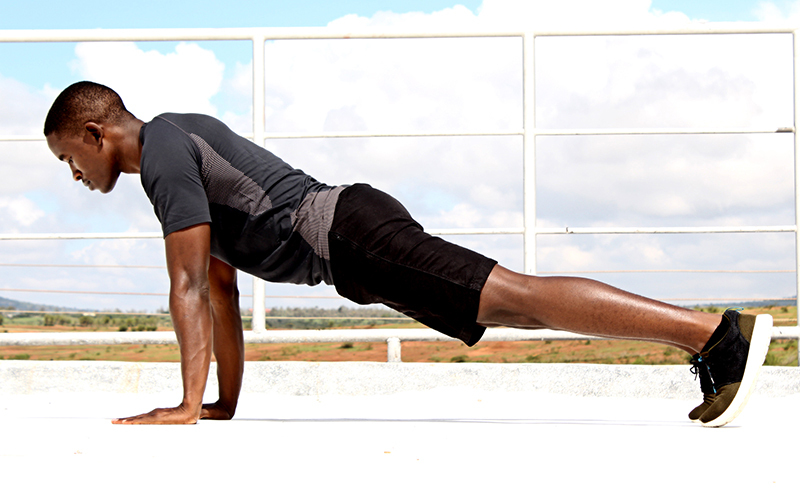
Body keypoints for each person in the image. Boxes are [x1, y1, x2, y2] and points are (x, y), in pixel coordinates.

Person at [43, 81, 772, 427]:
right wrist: (220, 403)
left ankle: (712, 334)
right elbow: (221, 289)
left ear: (96, 134)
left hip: (349, 234)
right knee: (511, 308)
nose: (73, 174)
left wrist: (183, 409)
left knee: (513, 294)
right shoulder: (172, 152)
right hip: (352, 241)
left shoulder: (164, 152)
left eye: (69, 157)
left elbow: (188, 288)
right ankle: (709, 338)